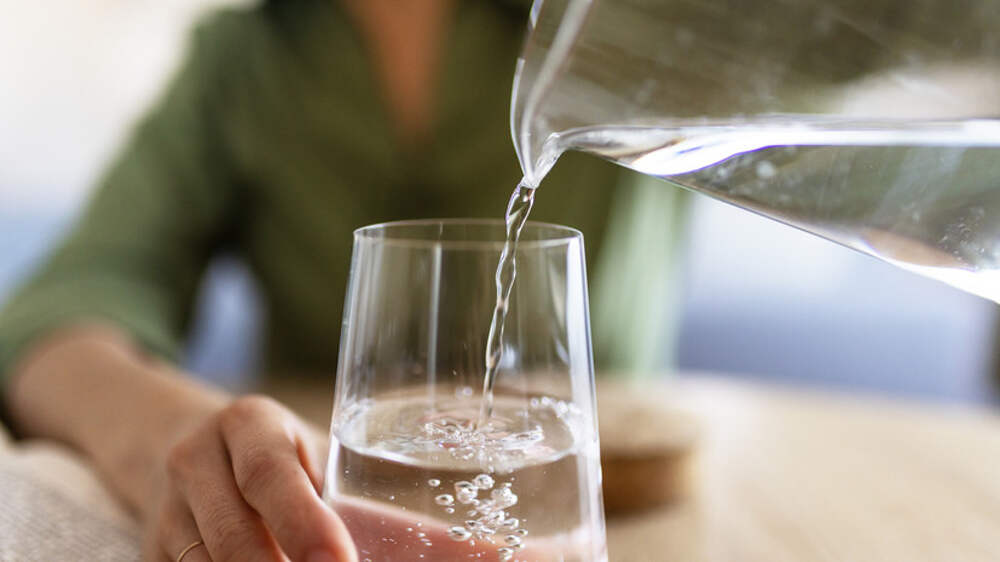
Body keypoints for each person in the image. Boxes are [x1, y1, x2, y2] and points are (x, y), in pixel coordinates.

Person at [0, 0, 683, 560]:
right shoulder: (245, 59)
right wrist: (177, 436)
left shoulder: (633, 25)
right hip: (315, 527)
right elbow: (60, 307)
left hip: (643, 518)